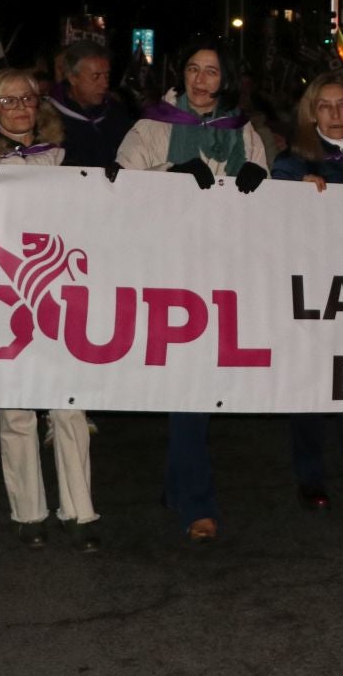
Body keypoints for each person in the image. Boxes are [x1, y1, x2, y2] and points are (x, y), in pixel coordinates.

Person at [112, 41, 269, 543]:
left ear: (227, 79)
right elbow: (120, 186)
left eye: (212, 72)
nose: (201, 81)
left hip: (221, 271)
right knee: (191, 387)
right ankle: (198, 503)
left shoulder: (242, 131)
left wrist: (260, 177)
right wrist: (171, 175)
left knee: (196, 388)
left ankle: (178, 485)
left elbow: (266, 203)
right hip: (168, 270)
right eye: (193, 70)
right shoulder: (153, 126)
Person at [0, 66, 101, 550]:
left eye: (27, 99)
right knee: (16, 408)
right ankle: (28, 512)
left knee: (69, 404)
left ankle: (80, 511)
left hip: (60, 292)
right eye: (7, 101)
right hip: (2, 293)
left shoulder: (65, 159)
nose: (19, 109)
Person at [271, 72, 343, 522]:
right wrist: (292, 193)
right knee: (310, 388)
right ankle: (310, 477)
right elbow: (270, 208)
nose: (336, 113)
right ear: (311, 112)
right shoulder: (293, 160)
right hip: (310, 287)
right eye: (325, 105)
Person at [48, 40, 133, 168]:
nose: (105, 84)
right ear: (73, 78)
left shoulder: (115, 112)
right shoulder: (48, 117)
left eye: (107, 76)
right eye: (96, 76)